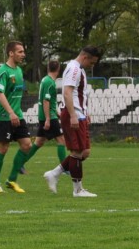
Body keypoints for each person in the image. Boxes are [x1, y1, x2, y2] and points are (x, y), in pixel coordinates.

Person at [44, 45, 102, 197]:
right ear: (85, 57)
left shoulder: (79, 69)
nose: (92, 66)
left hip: (79, 113)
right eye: (92, 62)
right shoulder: (74, 69)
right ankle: (77, 190)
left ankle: (54, 173)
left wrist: (85, 112)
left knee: (85, 152)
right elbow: (67, 93)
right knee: (76, 151)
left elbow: (79, 94)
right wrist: (73, 115)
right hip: (73, 114)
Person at [0, 41, 33, 193]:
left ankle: (11, 179)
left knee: (27, 144)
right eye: (20, 52)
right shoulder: (3, 71)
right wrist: (10, 112)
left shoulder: (19, 71)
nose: (23, 54)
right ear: (11, 53)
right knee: (3, 148)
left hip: (17, 115)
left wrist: (16, 113)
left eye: (23, 51)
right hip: (4, 115)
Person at [21, 59, 68, 177]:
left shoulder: (45, 80)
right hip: (49, 117)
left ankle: (20, 164)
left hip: (47, 115)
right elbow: (46, 101)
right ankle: (65, 168)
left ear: (48, 69)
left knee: (39, 142)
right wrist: (48, 118)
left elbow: (50, 101)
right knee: (61, 140)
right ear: (58, 70)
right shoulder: (50, 83)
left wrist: (57, 114)